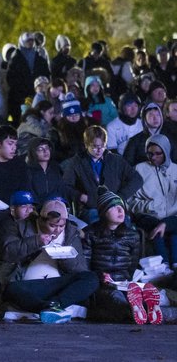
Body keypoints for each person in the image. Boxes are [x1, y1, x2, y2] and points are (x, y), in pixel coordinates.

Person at [0, 195, 99, 323]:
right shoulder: (20, 226)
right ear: (41, 220)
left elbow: (80, 268)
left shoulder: (71, 232)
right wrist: (36, 241)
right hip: (29, 286)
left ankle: (53, 306)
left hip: (57, 285)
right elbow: (8, 253)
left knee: (91, 278)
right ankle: (49, 308)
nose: (57, 230)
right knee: (11, 289)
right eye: (52, 225)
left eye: (61, 226)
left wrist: (63, 257)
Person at [84, 188, 148, 323]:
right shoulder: (91, 233)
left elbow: (133, 263)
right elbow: (85, 262)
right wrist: (99, 276)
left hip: (123, 282)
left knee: (135, 295)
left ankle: (143, 311)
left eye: (121, 206)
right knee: (114, 297)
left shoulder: (132, 235)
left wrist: (124, 280)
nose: (120, 210)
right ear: (103, 212)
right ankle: (134, 313)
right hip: (101, 283)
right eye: (113, 207)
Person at [60, 125, 141, 222]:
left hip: (114, 206)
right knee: (96, 224)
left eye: (102, 146)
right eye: (94, 146)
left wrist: (121, 196)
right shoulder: (76, 162)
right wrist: (80, 196)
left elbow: (137, 179)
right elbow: (65, 186)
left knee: (125, 225)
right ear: (86, 144)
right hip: (91, 208)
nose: (99, 150)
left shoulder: (115, 160)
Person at [132, 135, 177, 263]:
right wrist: (150, 206)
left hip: (173, 217)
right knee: (157, 230)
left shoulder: (176, 170)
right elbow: (129, 201)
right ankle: (164, 267)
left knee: (174, 234)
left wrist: (168, 222)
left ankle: (174, 267)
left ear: (166, 152)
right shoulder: (139, 169)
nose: (153, 157)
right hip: (148, 215)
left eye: (158, 153)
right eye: (150, 153)